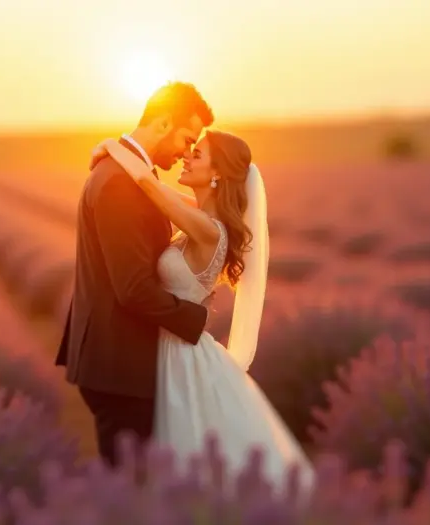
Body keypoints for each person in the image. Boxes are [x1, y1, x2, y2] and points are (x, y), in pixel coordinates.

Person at [87, 123, 314, 490]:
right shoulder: (202, 216)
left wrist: (113, 145)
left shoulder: (210, 230)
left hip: (177, 352)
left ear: (218, 174)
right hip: (169, 344)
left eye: (198, 152)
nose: (188, 155)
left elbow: (146, 184)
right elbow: (163, 192)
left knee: (181, 454)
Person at [55, 82, 214, 465]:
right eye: (187, 138)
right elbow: (133, 288)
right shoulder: (119, 183)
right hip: (121, 368)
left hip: (121, 362)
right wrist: (197, 321)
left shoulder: (126, 171)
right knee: (131, 487)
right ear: (162, 123)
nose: (186, 153)